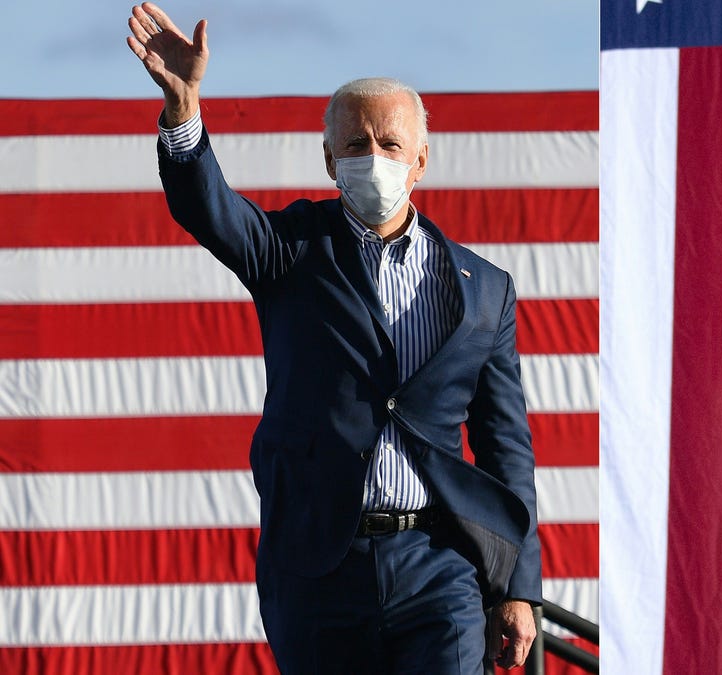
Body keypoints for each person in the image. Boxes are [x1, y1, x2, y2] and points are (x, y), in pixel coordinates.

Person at [125, 3, 540, 672]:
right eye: (355, 145)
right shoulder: (289, 250)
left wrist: (519, 588)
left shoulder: (485, 289)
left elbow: (504, 444)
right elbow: (210, 209)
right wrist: (183, 109)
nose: (373, 159)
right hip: (319, 567)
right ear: (328, 158)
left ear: (421, 160)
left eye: (390, 144)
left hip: (440, 568)